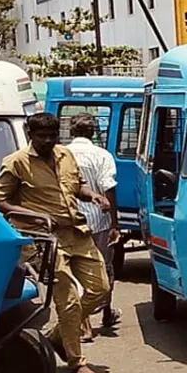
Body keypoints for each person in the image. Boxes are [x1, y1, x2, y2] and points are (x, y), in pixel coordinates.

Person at [0, 111, 111, 373]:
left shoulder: (65, 155)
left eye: (52, 135)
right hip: (45, 240)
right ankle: (76, 360)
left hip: (77, 232)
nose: (47, 140)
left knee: (100, 288)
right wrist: (35, 216)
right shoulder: (16, 163)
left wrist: (93, 195)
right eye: (41, 136)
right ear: (30, 135)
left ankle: (58, 335)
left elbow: (77, 185)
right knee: (66, 300)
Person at [66, 111, 121, 332]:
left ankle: (84, 322)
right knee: (104, 267)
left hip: (70, 219)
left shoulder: (61, 153)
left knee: (75, 269)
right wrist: (115, 223)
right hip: (99, 219)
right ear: (93, 132)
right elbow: (108, 188)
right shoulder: (102, 155)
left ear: (71, 131)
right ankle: (106, 312)